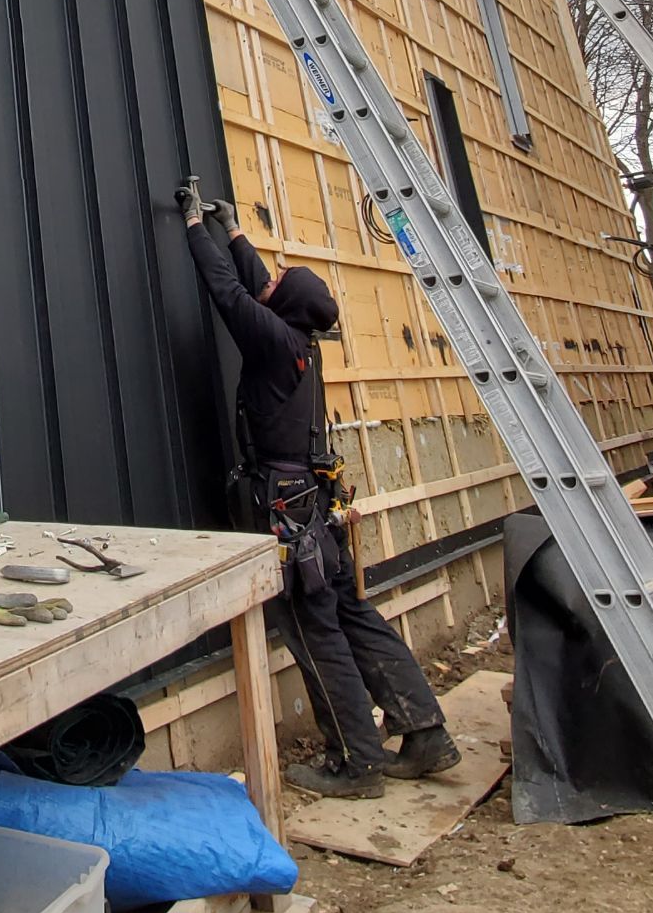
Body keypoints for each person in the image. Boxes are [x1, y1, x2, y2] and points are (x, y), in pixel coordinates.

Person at [179, 179, 461, 798]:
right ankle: (424, 731)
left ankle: (357, 763)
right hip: (315, 508)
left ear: (286, 308)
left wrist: (196, 227)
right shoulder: (299, 342)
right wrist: (235, 231)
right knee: (353, 613)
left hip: (286, 512)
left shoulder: (274, 342)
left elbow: (231, 295)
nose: (268, 283)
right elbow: (262, 290)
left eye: (278, 284)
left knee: (314, 627)